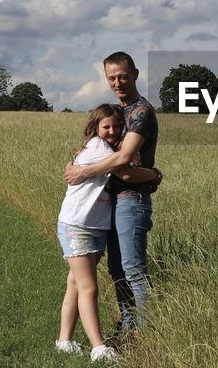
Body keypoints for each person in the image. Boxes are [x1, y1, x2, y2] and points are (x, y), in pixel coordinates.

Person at [64, 52, 161, 341]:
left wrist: (84, 171)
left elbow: (126, 159)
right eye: (112, 78)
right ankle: (127, 328)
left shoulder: (140, 112)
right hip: (112, 202)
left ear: (135, 74)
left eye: (123, 75)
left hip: (132, 199)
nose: (118, 82)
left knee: (133, 269)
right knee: (118, 269)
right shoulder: (117, 114)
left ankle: (146, 333)